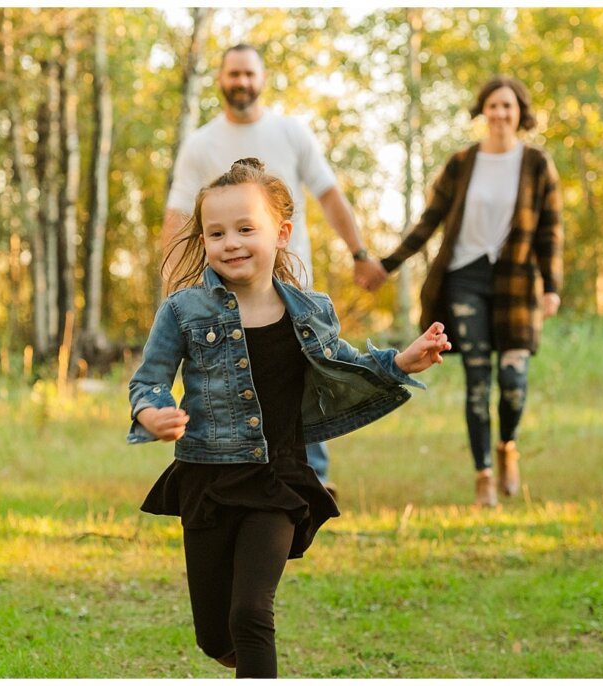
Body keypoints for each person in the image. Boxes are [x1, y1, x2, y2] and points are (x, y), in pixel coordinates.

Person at [128, 158, 450, 678]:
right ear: (204, 240)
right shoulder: (184, 311)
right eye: (216, 233)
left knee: (251, 612)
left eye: (245, 229)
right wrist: (151, 412)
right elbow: (148, 380)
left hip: (278, 479)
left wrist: (401, 360)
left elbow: (346, 363)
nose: (231, 242)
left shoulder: (310, 311)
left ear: (280, 233)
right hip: (207, 478)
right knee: (215, 636)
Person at [162, 43, 388, 496]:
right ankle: (236, 471)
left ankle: (312, 475)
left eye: (249, 73)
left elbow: (328, 194)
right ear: (221, 80)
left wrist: (360, 252)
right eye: (233, 74)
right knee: (243, 378)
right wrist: (174, 286)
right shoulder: (201, 143)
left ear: (261, 79)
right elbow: (177, 216)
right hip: (225, 292)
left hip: (288, 283)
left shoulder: (291, 133)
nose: (241, 81)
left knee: (302, 373)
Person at [372, 76, 563, 508]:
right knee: (478, 379)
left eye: (508, 106)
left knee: (513, 379)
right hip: (465, 279)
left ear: (520, 113)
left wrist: (551, 287)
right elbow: (429, 221)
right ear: (482, 111)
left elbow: (551, 230)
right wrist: (387, 265)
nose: (500, 113)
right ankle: (483, 476)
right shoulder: (462, 163)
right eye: (492, 106)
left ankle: (507, 445)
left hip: (517, 280)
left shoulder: (536, 163)